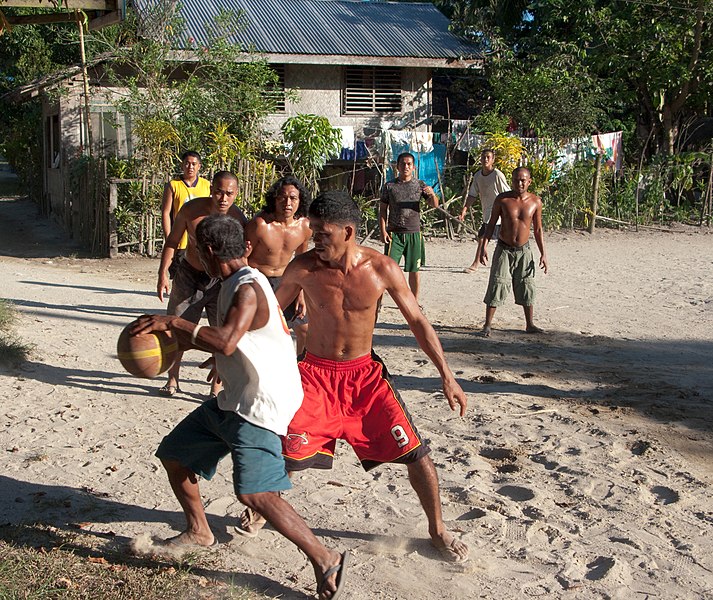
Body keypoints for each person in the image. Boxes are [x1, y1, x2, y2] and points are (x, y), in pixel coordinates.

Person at [238, 191, 470, 563]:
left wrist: (447, 375)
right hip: (314, 374)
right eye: (313, 230)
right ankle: (264, 505)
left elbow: (418, 322)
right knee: (286, 453)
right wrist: (233, 348)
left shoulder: (382, 268)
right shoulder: (304, 268)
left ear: (348, 231)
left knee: (417, 455)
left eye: (322, 233)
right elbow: (270, 313)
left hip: (364, 377)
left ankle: (438, 529)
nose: (315, 239)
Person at [132, 215, 348, 600]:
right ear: (244, 248)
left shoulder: (248, 287)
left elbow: (228, 340)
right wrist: (196, 347)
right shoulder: (233, 281)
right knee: (175, 455)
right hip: (235, 397)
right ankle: (199, 531)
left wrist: (173, 323)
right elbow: (234, 343)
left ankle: (325, 556)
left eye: (200, 251)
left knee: (255, 494)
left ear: (208, 252)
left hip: (260, 404)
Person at [156, 171, 247, 398]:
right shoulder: (191, 210)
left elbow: (244, 255)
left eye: (228, 194)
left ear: (236, 194)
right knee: (177, 327)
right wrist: (162, 274)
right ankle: (172, 379)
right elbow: (173, 241)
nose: (223, 198)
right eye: (218, 192)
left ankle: (215, 389)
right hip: (189, 275)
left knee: (220, 331)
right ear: (210, 190)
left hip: (221, 281)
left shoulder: (238, 219)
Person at [245, 176, 312, 354]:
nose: (287, 203)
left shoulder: (304, 227)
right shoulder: (260, 225)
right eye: (282, 197)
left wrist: (301, 293)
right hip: (258, 280)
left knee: (304, 329)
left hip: (286, 281)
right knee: (260, 332)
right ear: (274, 199)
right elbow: (243, 257)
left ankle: (300, 373)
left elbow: (302, 259)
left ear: (300, 200)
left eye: (293, 198)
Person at [479, 166, 548, 336]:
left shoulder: (535, 202)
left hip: (524, 250)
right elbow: (491, 224)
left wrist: (543, 254)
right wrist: (483, 246)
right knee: (497, 284)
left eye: (523, 180)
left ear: (529, 181)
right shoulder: (502, 200)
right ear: (512, 181)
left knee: (526, 285)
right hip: (503, 249)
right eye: (516, 179)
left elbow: (538, 230)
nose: (519, 183)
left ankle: (530, 324)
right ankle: (487, 324)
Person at [379, 152, 439, 304]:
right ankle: (378, 302)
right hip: (394, 235)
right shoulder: (389, 186)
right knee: (387, 270)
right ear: (397, 166)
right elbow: (382, 210)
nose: (406, 167)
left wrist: (432, 194)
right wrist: (383, 230)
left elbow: (435, 205)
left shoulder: (420, 185)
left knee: (414, 270)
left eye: (409, 164)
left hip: (414, 234)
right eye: (403, 164)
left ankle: (414, 301)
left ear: (413, 167)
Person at [458, 149, 510, 273]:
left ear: (493, 160)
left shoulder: (497, 175)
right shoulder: (478, 176)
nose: (485, 159)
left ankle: (476, 263)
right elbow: (472, 194)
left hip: (499, 214)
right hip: (487, 213)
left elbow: (507, 194)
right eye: (483, 157)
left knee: (484, 238)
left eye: (488, 157)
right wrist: (464, 210)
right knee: (487, 238)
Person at [161, 151, 212, 269]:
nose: (190, 167)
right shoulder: (173, 185)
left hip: (200, 240)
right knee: (179, 274)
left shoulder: (206, 185)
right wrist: (169, 237)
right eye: (187, 163)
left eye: (194, 164)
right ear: (182, 165)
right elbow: (166, 212)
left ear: (199, 166)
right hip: (180, 240)